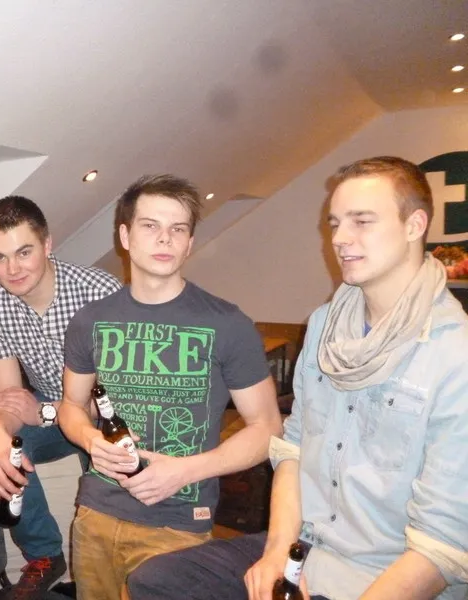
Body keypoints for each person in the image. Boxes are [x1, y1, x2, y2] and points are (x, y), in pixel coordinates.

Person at [126, 157, 468, 600]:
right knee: (155, 581)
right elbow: (293, 448)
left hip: (389, 574)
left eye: (362, 221)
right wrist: (274, 554)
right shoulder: (326, 324)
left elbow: (443, 543)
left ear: (414, 225)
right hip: (306, 549)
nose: (339, 238)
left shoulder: (453, 353)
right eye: (335, 223)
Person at [57, 173, 283, 600]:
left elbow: (268, 428)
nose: (165, 238)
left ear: (190, 243)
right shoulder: (90, 321)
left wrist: (185, 471)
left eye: (178, 229)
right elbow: (71, 404)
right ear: (125, 236)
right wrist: (89, 439)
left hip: (178, 525)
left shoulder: (227, 324)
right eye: (150, 226)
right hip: (96, 514)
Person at [0, 195, 121, 597]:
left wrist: (45, 412)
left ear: (48, 244)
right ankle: (44, 555)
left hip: (109, 413)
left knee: (109, 486)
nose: (12, 269)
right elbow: (7, 396)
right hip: (51, 409)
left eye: (24, 252)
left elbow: (119, 398)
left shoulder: (99, 292)